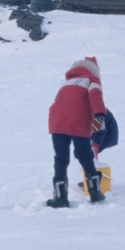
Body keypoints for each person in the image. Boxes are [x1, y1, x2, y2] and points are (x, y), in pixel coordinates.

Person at [46, 57, 107, 208]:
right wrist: (99, 116)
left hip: (57, 122)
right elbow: (96, 97)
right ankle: (95, 193)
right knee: (85, 155)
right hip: (78, 121)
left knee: (61, 158)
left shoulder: (66, 83)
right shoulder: (91, 80)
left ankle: (60, 197)